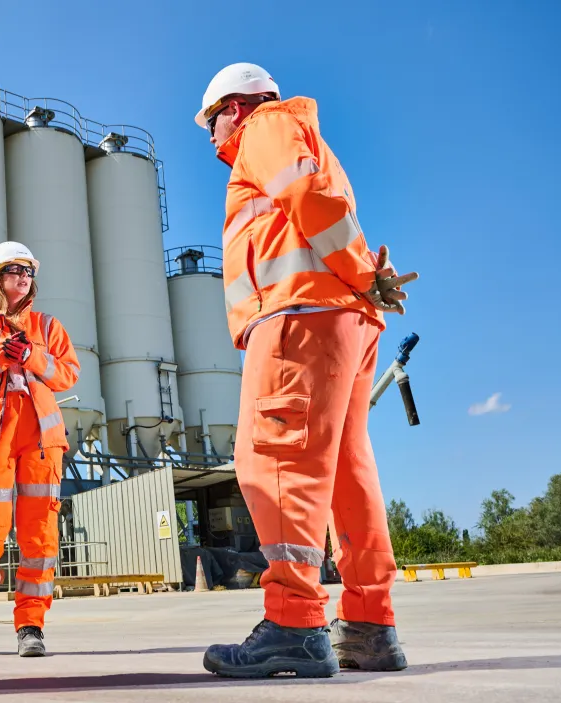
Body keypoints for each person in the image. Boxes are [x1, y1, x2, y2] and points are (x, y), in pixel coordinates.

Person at [193, 62, 418, 678]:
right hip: (342, 316)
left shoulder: (267, 127)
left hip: (300, 317)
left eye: (210, 123)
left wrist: (361, 271)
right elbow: (322, 205)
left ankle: (294, 622)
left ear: (235, 107)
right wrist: (364, 278)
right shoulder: (304, 136)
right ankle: (371, 624)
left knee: (273, 457)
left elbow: (307, 196)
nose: (211, 140)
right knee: (346, 469)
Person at [0, 242, 81, 657]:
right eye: (12, 271)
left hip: (42, 443)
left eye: (27, 272)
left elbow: (69, 374)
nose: (22, 278)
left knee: (40, 540)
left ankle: (31, 627)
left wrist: (33, 357)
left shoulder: (48, 326)